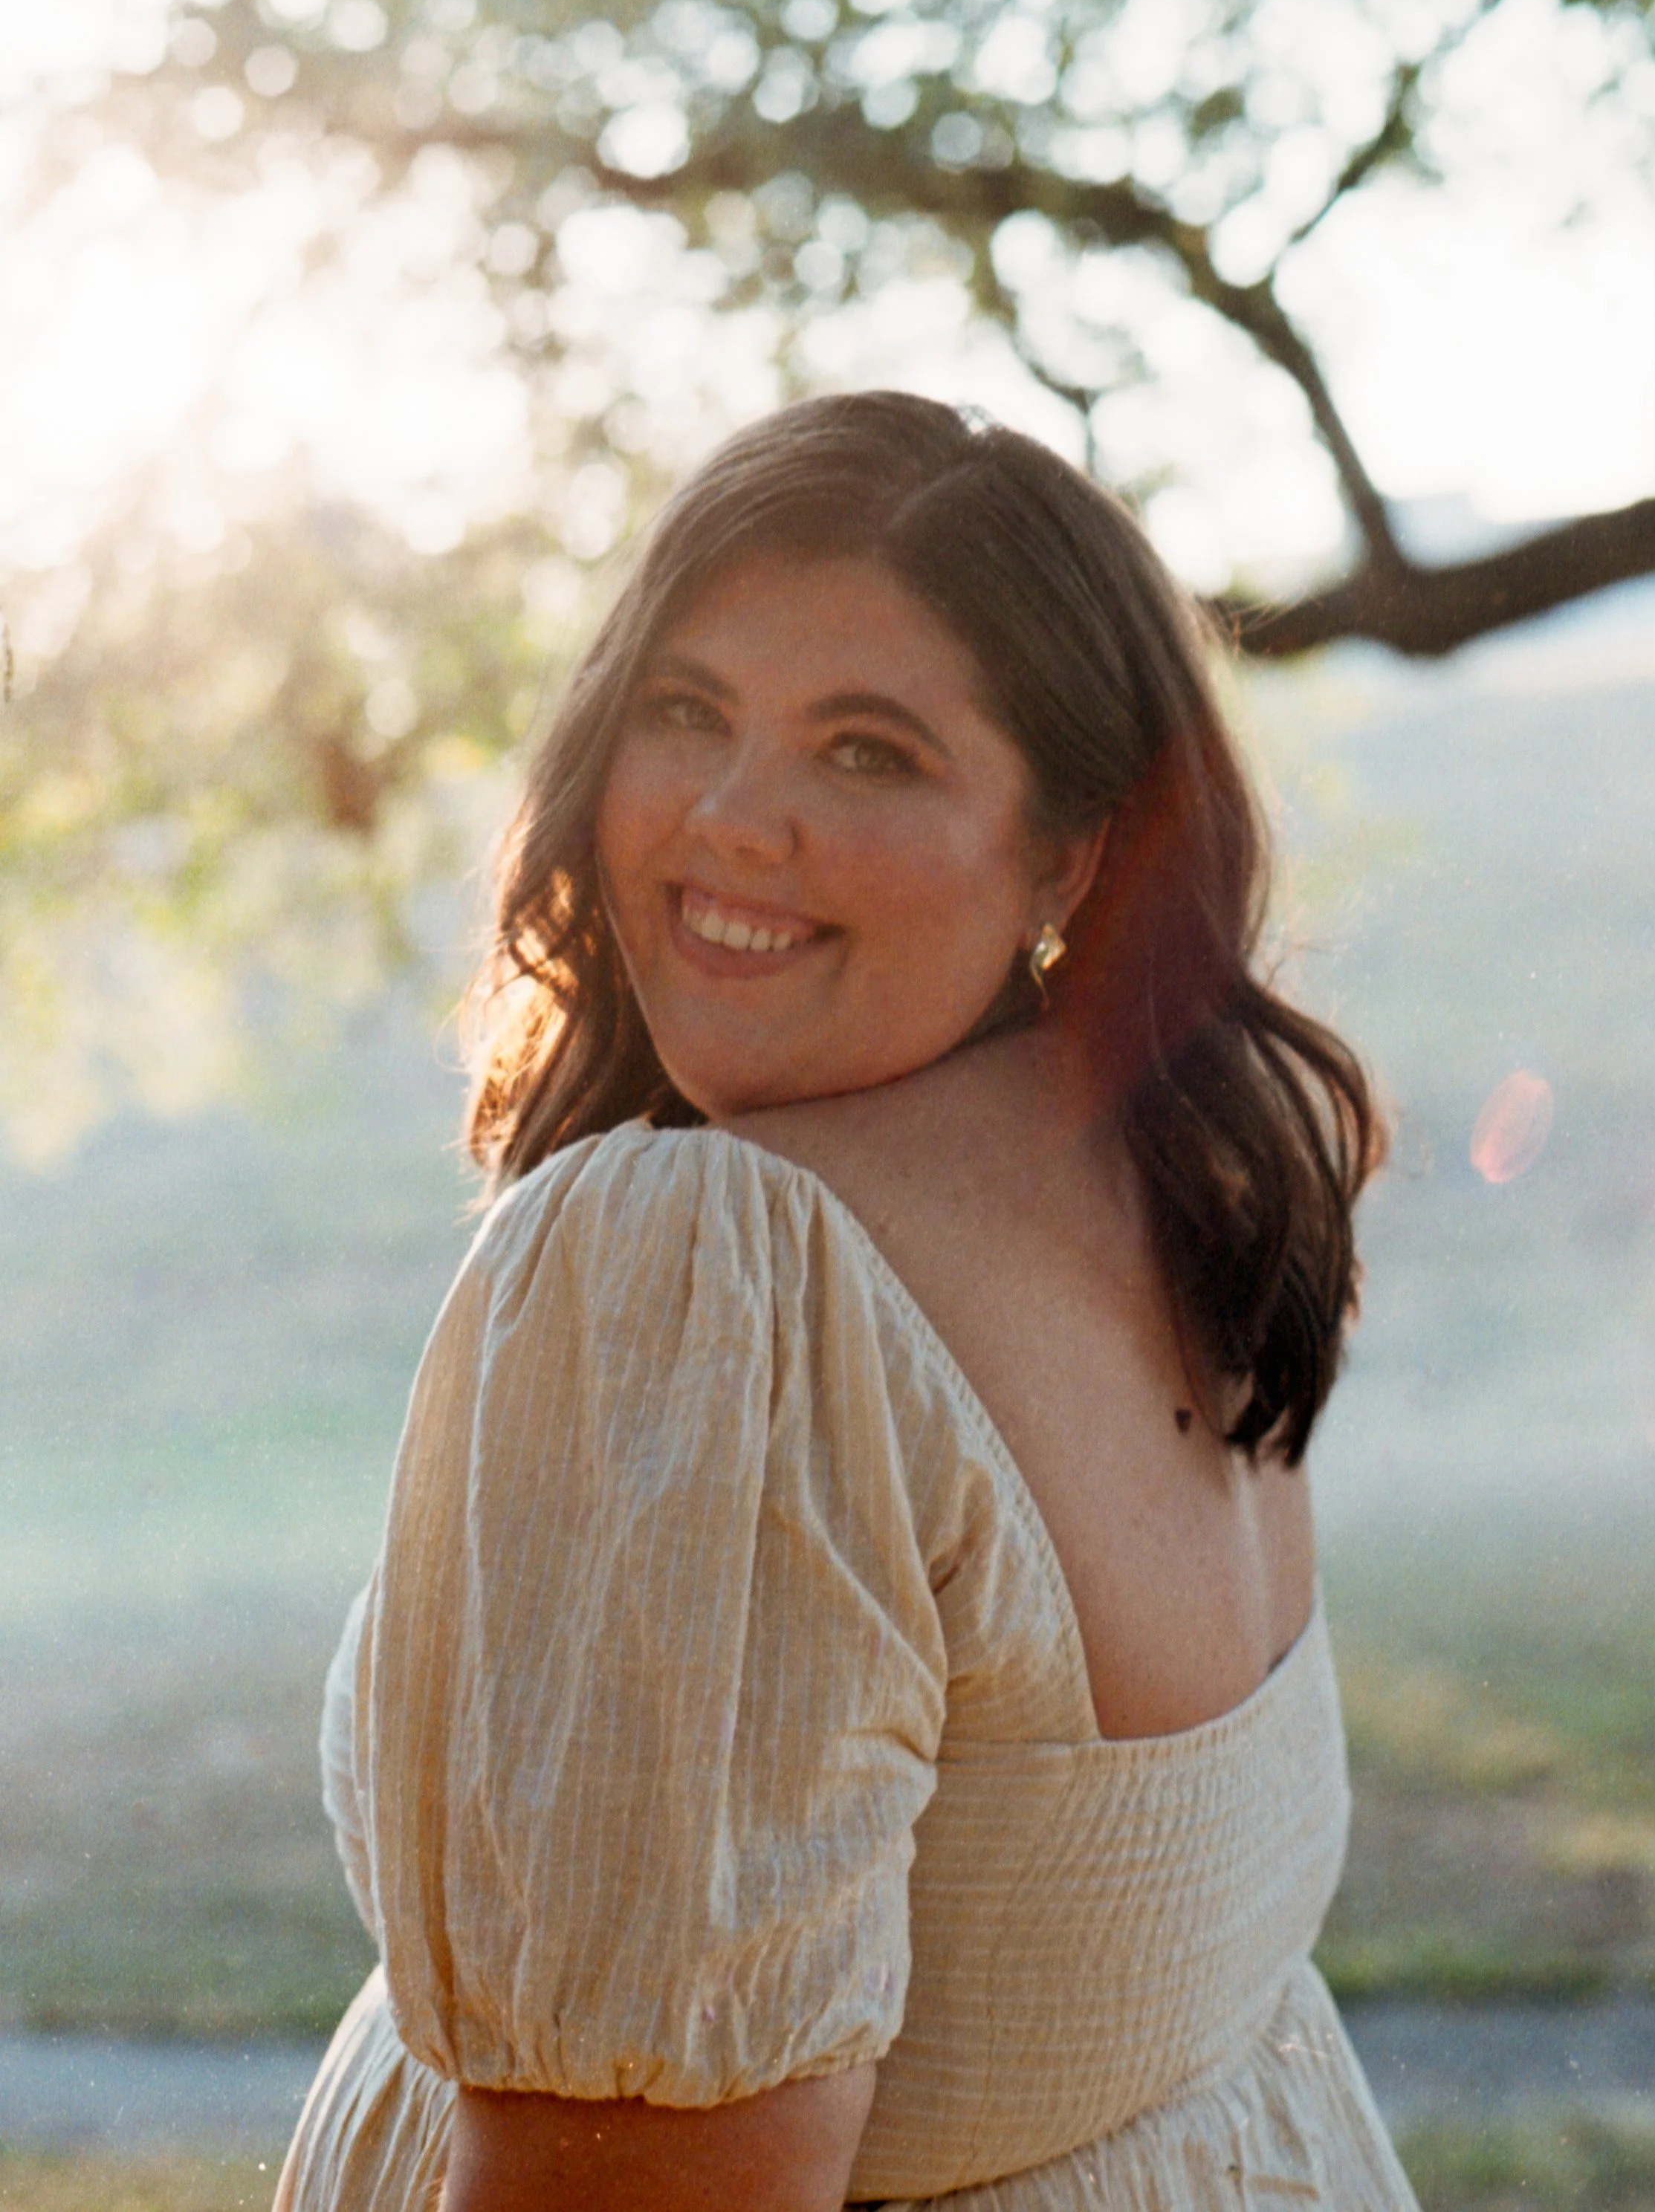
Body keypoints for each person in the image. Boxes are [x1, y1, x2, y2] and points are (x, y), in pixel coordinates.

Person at [276, 391, 1417, 2212]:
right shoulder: (1170, 1189)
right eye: (686, 711)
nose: (731, 820)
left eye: (868, 752)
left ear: (1069, 849)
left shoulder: (716, 1282)